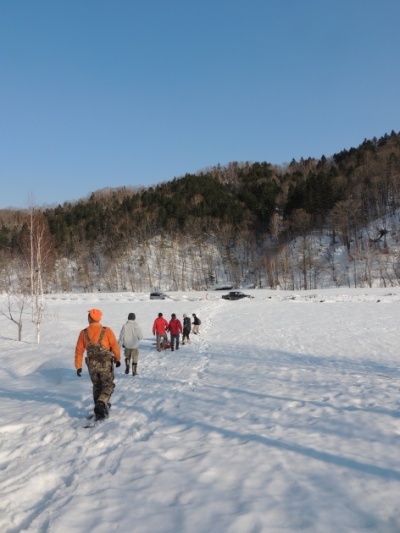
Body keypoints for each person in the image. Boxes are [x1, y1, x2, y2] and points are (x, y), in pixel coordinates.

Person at [75, 308, 121, 421]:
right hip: (105, 362)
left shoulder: (83, 333)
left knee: (97, 386)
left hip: (92, 364)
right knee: (108, 385)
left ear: (90, 318)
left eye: (88, 316)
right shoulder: (107, 331)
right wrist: (118, 358)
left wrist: (78, 366)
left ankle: (99, 408)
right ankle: (101, 403)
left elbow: (79, 350)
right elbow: (114, 345)